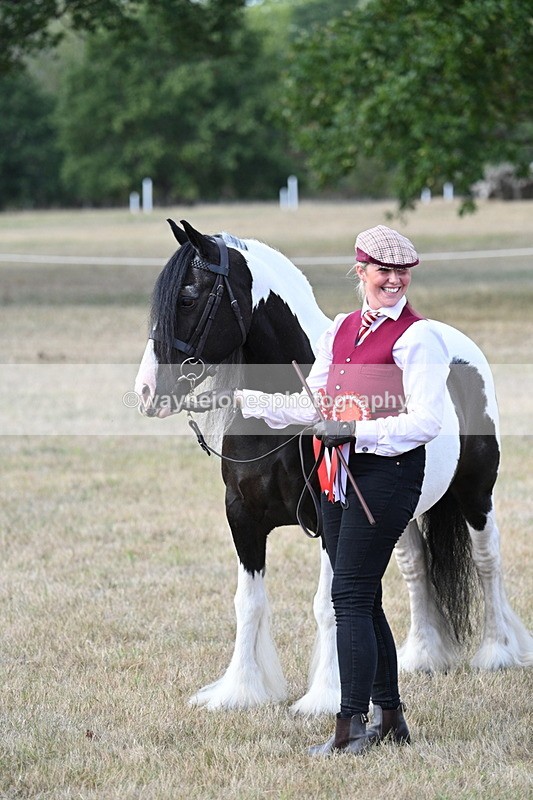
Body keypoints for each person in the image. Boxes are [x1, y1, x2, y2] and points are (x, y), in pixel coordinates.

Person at [194, 225, 450, 756]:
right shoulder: (343, 330)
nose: (394, 281)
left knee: (348, 595)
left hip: (389, 475)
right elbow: (316, 404)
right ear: (361, 272)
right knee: (362, 594)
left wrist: (359, 430)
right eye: (383, 271)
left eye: (402, 272)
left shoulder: (418, 339)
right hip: (339, 474)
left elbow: (426, 421)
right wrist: (251, 402)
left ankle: (351, 726)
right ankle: (391, 717)